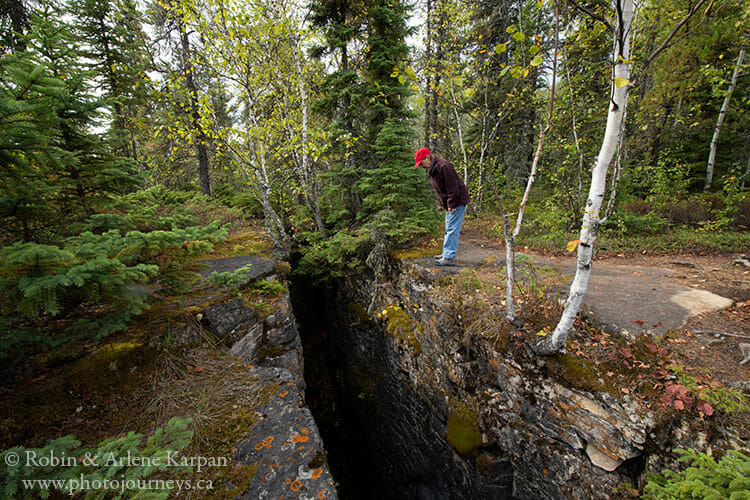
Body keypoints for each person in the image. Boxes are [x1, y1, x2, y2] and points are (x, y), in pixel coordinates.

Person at [413, 147, 470, 266]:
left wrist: (451, 204)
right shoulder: (433, 168)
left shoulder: (444, 166)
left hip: (456, 202)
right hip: (451, 203)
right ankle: (446, 253)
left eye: (421, 163)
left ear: (427, 157)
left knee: (452, 229)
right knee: (449, 227)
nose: (421, 166)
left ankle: (448, 257)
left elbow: (452, 188)